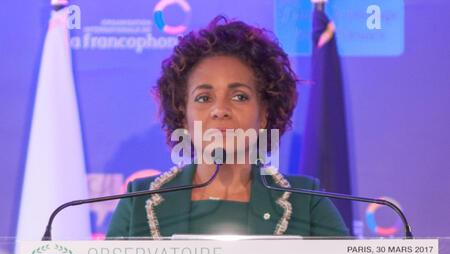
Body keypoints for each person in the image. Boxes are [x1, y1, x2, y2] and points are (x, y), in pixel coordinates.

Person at [106, 16, 349, 239]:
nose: (220, 109)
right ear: (183, 116)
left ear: (264, 114)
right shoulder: (139, 202)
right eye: (204, 98)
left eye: (239, 97)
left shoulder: (306, 202)